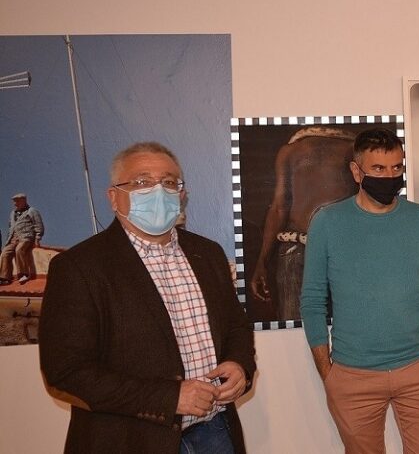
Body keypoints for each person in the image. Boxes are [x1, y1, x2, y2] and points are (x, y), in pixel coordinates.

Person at [39, 142, 256, 453]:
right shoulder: (79, 267)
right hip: (129, 440)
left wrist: (240, 365)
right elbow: (66, 373)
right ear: (114, 197)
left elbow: (236, 327)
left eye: (169, 182)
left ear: (182, 195)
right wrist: (170, 398)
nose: (159, 191)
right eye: (141, 182)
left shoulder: (207, 253)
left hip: (215, 431)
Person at [301, 127, 419, 453]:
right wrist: (327, 371)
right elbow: (312, 300)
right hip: (352, 377)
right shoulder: (327, 222)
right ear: (357, 172)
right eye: (379, 169)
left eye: (397, 168)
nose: (390, 177)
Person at [249, 126, 358, 319]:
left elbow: (279, 208)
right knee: (349, 326)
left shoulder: (290, 152)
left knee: (296, 329)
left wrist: (262, 262)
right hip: (336, 250)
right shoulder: (353, 150)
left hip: (299, 248)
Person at [0, 193, 44, 285]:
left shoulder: (32, 211)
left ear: (24, 201)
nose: (15, 204)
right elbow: (10, 228)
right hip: (13, 239)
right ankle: (5, 277)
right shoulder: (12, 213)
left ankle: (22, 274)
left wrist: (37, 238)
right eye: (14, 202)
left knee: (19, 250)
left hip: (26, 237)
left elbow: (38, 225)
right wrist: (8, 240)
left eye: (17, 202)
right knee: (5, 253)